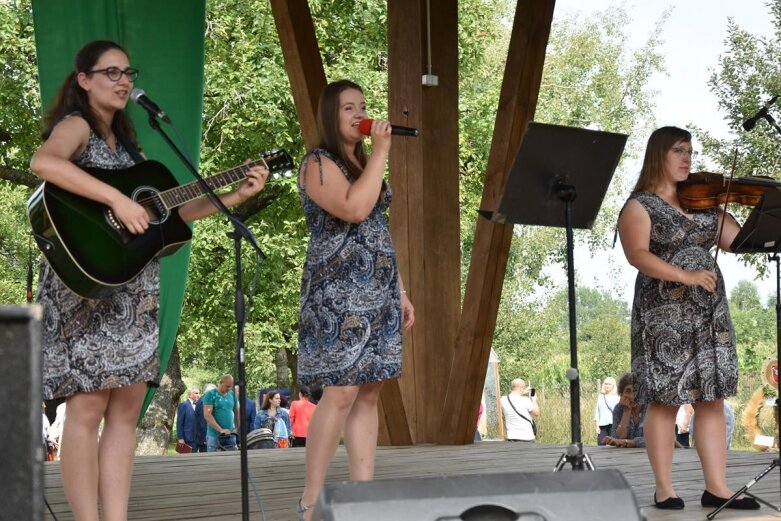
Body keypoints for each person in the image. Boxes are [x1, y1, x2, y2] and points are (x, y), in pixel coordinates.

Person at [30, 40, 269, 520]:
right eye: (111, 72)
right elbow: (44, 164)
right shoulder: (76, 127)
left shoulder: (131, 146)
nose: (123, 81)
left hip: (135, 294)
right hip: (86, 289)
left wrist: (234, 196)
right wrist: (117, 201)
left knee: (125, 413)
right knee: (87, 411)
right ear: (84, 79)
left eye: (128, 73)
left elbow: (171, 216)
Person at [617, 126, 757, 511]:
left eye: (690, 152)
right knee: (665, 399)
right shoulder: (639, 205)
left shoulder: (701, 202)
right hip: (664, 314)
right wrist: (687, 275)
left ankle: (717, 488)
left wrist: (734, 204)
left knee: (711, 398)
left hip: (709, 313)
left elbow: (740, 242)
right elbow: (638, 255)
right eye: (678, 150)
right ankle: (665, 490)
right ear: (658, 155)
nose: (687, 158)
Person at [295, 80, 415, 520]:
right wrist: (382, 152)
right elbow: (353, 210)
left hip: (379, 292)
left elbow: (377, 230)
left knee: (369, 392)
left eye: (362, 107)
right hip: (337, 296)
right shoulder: (318, 163)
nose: (360, 114)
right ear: (331, 115)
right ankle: (311, 498)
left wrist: (399, 290)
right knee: (341, 391)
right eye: (349, 108)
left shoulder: (364, 161)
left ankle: (363, 498)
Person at [602, 373, 648, 448]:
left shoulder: (651, 408)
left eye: (636, 391)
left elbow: (657, 440)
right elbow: (617, 439)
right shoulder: (619, 409)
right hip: (625, 456)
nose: (632, 396)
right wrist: (627, 412)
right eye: (628, 391)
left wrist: (627, 442)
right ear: (621, 394)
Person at [203, 375, 240, 452]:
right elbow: (207, 415)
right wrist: (221, 430)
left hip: (230, 435)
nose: (229, 389)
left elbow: (238, 412)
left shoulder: (232, 394)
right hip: (214, 436)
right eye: (227, 386)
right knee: (213, 461)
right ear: (221, 383)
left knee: (231, 460)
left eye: (230, 386)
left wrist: (236, 427)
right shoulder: (210, 395)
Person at [594, 376, 619, 445]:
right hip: (602, 425)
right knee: (600, 444)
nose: (607, 386)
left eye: (609, 384)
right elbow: (597, 412)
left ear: (613, 386)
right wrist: (597, 426)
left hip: (613, 425)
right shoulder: (601, 397)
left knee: (614, 445)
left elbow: (619, 411)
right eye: (606, 384)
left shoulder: (617, 397)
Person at [193, 383, 216, 453]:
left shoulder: (203, 400)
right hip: (205, 437)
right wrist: (205, 438)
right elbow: (202, 421)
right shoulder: (203, 401)